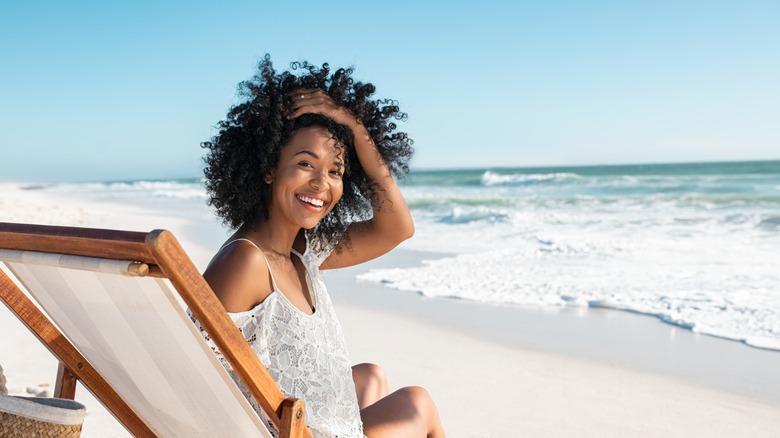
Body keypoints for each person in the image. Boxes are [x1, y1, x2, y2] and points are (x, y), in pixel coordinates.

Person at [195, 55, 445, 438]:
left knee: (372, 376)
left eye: (335, 171)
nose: (321, 184)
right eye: (306, 164)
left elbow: (396, 229)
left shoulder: (302, 249)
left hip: (299, 421)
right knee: (419, 403)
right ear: (267, 168)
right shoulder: (245, 261)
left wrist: (357, 131)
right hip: (287, 432)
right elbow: (199, 383)